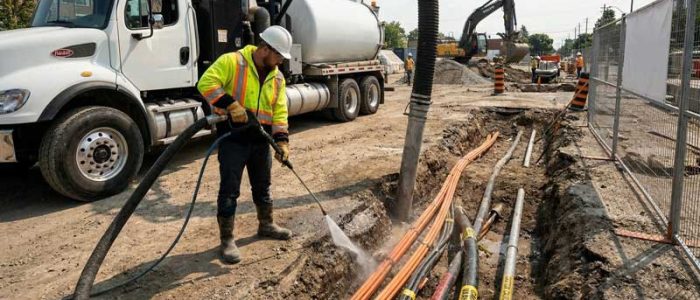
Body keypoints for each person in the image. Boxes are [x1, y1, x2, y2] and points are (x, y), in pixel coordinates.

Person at [197, 26, 293, 264]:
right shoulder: (233, 61)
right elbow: (206, 82)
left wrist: (281, 141)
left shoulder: (277, 76)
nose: (280, 60)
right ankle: (227, 239)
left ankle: (266, 224)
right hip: (234, 139)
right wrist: (231, 105)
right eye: (278, 54)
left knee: (263, 186)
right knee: (230, 190)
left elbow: (279, 110)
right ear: (264, 48)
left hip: (260, 141)